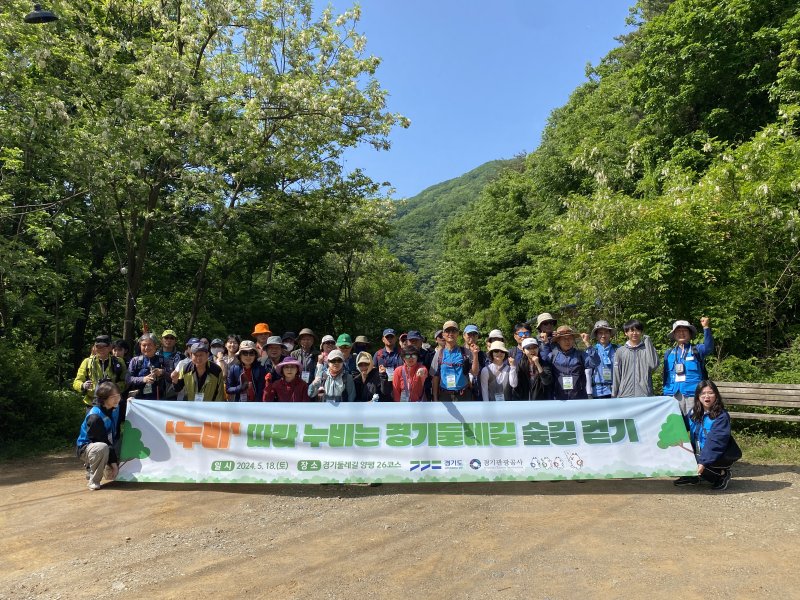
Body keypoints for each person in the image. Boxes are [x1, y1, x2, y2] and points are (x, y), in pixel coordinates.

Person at [674, 380, 736, 490]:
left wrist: (702, 463)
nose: (707, 396)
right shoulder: (694, 412)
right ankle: (692, 477)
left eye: (710, 393)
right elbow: (679, 428)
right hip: (698, 452)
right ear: (698, 396)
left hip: (716, 455)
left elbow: (715, 443)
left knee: (702, 463)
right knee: (674, 449)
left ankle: (722, 474)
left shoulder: (721, 417)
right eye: (703, 393)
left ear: (716, 395)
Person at [76, 381, 122, 491]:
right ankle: (94, 480)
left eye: (118, 396)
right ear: (104, 398)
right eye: (113, 397)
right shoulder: (95, 416)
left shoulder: (115, 406)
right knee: (102, 448)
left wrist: (131, 401)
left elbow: (127, 406)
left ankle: (107, 466)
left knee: (125, 439)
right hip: (88, 448)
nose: (117, 399)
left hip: (108, 443)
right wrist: (114, 465)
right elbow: (103, 442)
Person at [663, 317, 714, 414]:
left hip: (693, 394)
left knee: (695, 423)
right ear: (674, 335)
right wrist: (665, 394)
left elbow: (708, 347)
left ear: (690, 334)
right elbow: (665, 376)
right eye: (678, 331)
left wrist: (706, 327)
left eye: (684, 330)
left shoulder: (697, 350)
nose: (681, 333)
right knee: (675, 426)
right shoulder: (669, 353)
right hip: (672, 395)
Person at [540, 326, 600, 400]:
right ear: (558, 341)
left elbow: (596, 362)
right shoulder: (552, 356)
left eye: (570, 338)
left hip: (579, 399)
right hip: (559, 399)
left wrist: (587, 343)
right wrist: (545, 344)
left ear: (573, 340)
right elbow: (543, 365)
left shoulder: (580, 355)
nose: (567, 341)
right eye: (563, 339)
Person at [72, 334, 127, 410]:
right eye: (98, 346)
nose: (101, 349)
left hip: (112, 403)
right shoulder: (87, 362)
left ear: (110, 347)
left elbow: (125, 381)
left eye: (104, 346)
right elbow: (76, 382)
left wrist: (114, 386)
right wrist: (83, 385)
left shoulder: (119, 362)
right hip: (92, 403)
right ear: (94, 347)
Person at [430, 321, 479, 402]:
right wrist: (435, 398)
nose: (451, 333)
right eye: (447, 331)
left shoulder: (465, 352)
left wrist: (475, 355)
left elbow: (475, 372)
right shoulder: (439, 354)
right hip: (444, 396)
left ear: (458, 334)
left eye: (454, 331)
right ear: (443, 334)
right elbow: (435, 377)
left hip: (463, 395)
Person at [612, 319, 659, 398]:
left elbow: (654, 366)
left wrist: (648, 343)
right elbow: (616, 375)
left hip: (645, 395)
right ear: (626, 333)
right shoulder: (620, 351)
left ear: (641, 332)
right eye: (632, 331)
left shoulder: (648, 349)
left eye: (637, 330)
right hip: (624, 395)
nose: (634, 333)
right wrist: (614, 394)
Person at [125, 333, 167, 399]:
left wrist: (162, 372)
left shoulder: (162, 360)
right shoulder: (135, 361)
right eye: (144, 345)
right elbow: (128, 379)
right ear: (140, 346)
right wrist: (143, 379)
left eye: (149, 345)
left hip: (158, 399)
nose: (146, 348)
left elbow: (172, 376)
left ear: (155, 345)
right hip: (138, 399)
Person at [588, 320, 618, 399]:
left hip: (616, 391)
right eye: (600, 333)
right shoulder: (591, 351)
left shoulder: (618, 349)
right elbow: (587, 373)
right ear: (596, 335)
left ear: (610, 334)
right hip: (597, 392)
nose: (603, 336)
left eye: (606, 333)